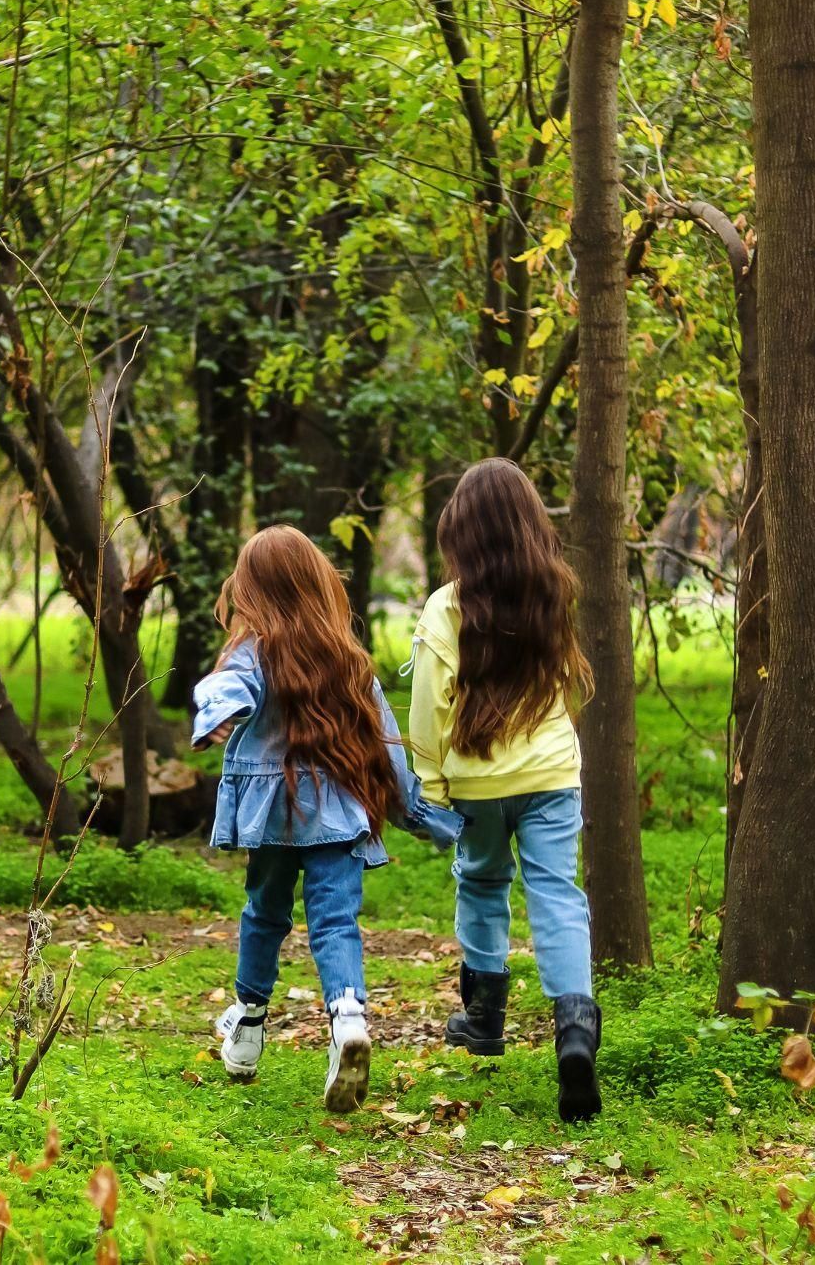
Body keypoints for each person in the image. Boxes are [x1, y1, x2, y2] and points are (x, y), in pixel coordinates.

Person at [191, 525, 462, 1113]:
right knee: (335, 924)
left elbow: (230, 685)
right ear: (317, 583)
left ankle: (250, 1027)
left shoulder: (253, 651)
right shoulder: (347, 659)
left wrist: (217, 715)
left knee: (263, 914)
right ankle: (347, 1021)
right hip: (340, 817)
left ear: (253, 590)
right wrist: (426, 817)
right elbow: (388, 754)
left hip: (276, 816)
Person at [406, 458, 601, 1121]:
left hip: (477, 779)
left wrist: (429, 782)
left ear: (460, 530)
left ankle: (484, 1018)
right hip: (550, 776)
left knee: (483, 883)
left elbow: (428, 702)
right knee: (557, 896)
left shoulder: (447, 607)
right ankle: (574, 1028)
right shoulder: (554, 592)